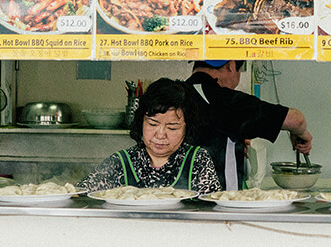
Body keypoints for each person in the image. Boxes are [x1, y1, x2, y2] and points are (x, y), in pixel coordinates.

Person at [78, 78, 221, 195]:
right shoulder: (121, 162)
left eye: (172, 127)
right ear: (141, 122)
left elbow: (211, 208)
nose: (160, 134)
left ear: (187, 128)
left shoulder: (197, 160)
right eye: (153, 124)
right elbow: (79, 195)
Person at [187, 60, 313, 190]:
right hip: (217, 197)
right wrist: (302, 133)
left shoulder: (177, 93)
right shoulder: (224, 99)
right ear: (231, 66)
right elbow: (296, 120)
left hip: (178, 194)